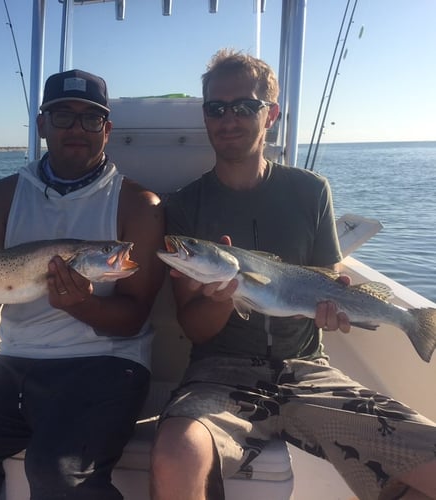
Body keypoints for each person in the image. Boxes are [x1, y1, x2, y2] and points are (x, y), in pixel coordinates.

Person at [149, 49, 436, 500]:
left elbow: (330, 278)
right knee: (174, 454)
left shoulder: (311, 191)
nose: (228, 118)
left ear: (271, 114)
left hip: (309, 370)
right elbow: (194, 329)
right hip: (218, 374)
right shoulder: (185, 207)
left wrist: (337, 310)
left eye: (244, 106)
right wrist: (221, 296)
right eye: (215, 108)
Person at [0, 69, 166, 499]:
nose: (77, 129)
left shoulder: (139, 205)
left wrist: (81, 305)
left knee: (59, 476)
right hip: (14, 362)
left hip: (108, 362)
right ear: (42, 125)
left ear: (107, 129)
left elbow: (132, 319)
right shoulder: (0, 197)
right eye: (63, 117)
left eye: (91, 118)